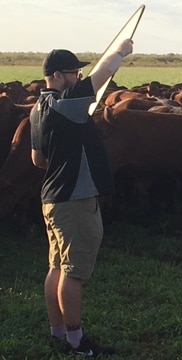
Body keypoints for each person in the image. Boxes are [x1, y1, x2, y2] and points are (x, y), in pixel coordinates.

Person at [30, 39, 133, 357]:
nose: (77, 78)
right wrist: (121, 51)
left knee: (57, 267)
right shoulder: (67, 102)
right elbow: (101, 76)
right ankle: (77, 343)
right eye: (73, 73)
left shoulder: (38, 109)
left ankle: (57, 333)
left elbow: (37, 159)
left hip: (53, 197)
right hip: (74, 200)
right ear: (57, 76)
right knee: (74, 272)